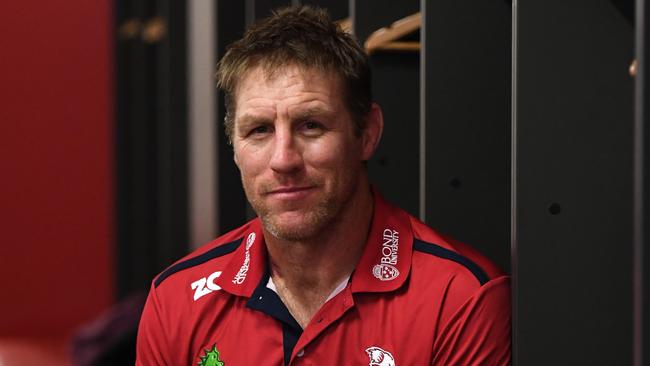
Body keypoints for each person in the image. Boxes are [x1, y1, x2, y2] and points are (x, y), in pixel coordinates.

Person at [136, 5, 510, 365]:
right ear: (234, 147)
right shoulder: (176, 300)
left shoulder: (459, 297)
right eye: (259, 130)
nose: (283, 159)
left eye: (311, 125)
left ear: (367, 133)